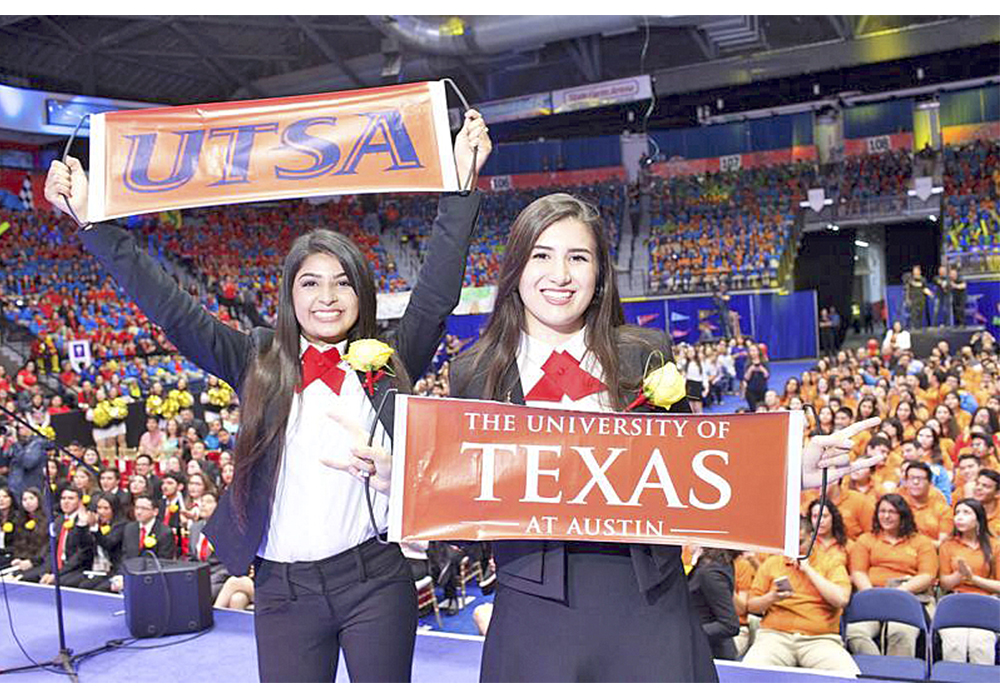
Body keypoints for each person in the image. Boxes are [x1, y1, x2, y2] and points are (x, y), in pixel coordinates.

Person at [45, 110, 490, 683]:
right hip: (282, 590)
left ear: (363, 293)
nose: (327, 297)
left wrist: (462, 187)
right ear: (289, 295)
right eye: (310, 283)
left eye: (343, 282)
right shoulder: (255, 359)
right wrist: (93, 224)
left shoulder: (387, 361)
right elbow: (172, 310)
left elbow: (434, 296)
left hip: (377, 580)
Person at [449, 192, 716, 682]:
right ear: (516, 268)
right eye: (541, 255)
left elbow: (691, 469)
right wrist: (409, 484)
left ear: (599, 274)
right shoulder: (475, 372)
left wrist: (789, 471)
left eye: (578, 257)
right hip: (533, 608)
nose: (560, 275)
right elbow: (466, 515)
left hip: (648, 601)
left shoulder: (645, 354)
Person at [743, 516, 858, 675]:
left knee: (848, 675)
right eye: (790, 544)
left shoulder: (830, 562)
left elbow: (841, 600)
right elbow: (752, 606)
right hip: (776, 636)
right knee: (748, 672)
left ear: (812, 537)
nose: (794, 550)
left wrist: (809, 570)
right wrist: (772, 597)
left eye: (800, 543)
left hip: (819, 639)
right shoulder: (773, 562)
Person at [846, 493, 938, 657]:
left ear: (903, 515)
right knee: (855, 632)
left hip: (908, 599)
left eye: (892, 512)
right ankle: (876, 668)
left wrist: (897, 594)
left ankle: (898, 672)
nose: (886, 516)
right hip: (873, 597)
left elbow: (927, 576)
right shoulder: (866, 539)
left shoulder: (921, 541)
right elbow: (858, 572)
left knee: (900, 631)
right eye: (882, 511)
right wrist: (873, 595)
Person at [937, 498, 1000, 665]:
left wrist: (973, 579)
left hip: (986, 603)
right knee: (954, 644)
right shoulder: (948, 545)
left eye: (966, 513)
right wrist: (959, 574)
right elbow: (944, 583)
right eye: (957, 513)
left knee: (980, 645)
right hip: (955, 601)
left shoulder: (995, 545)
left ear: (978, 518)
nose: (959, 517)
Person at [687, 548, 740, 660]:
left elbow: (729, 625)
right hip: (700, 651)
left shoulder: (710, 572)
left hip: (711, 654)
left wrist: (687, 633)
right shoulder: (709, 565)